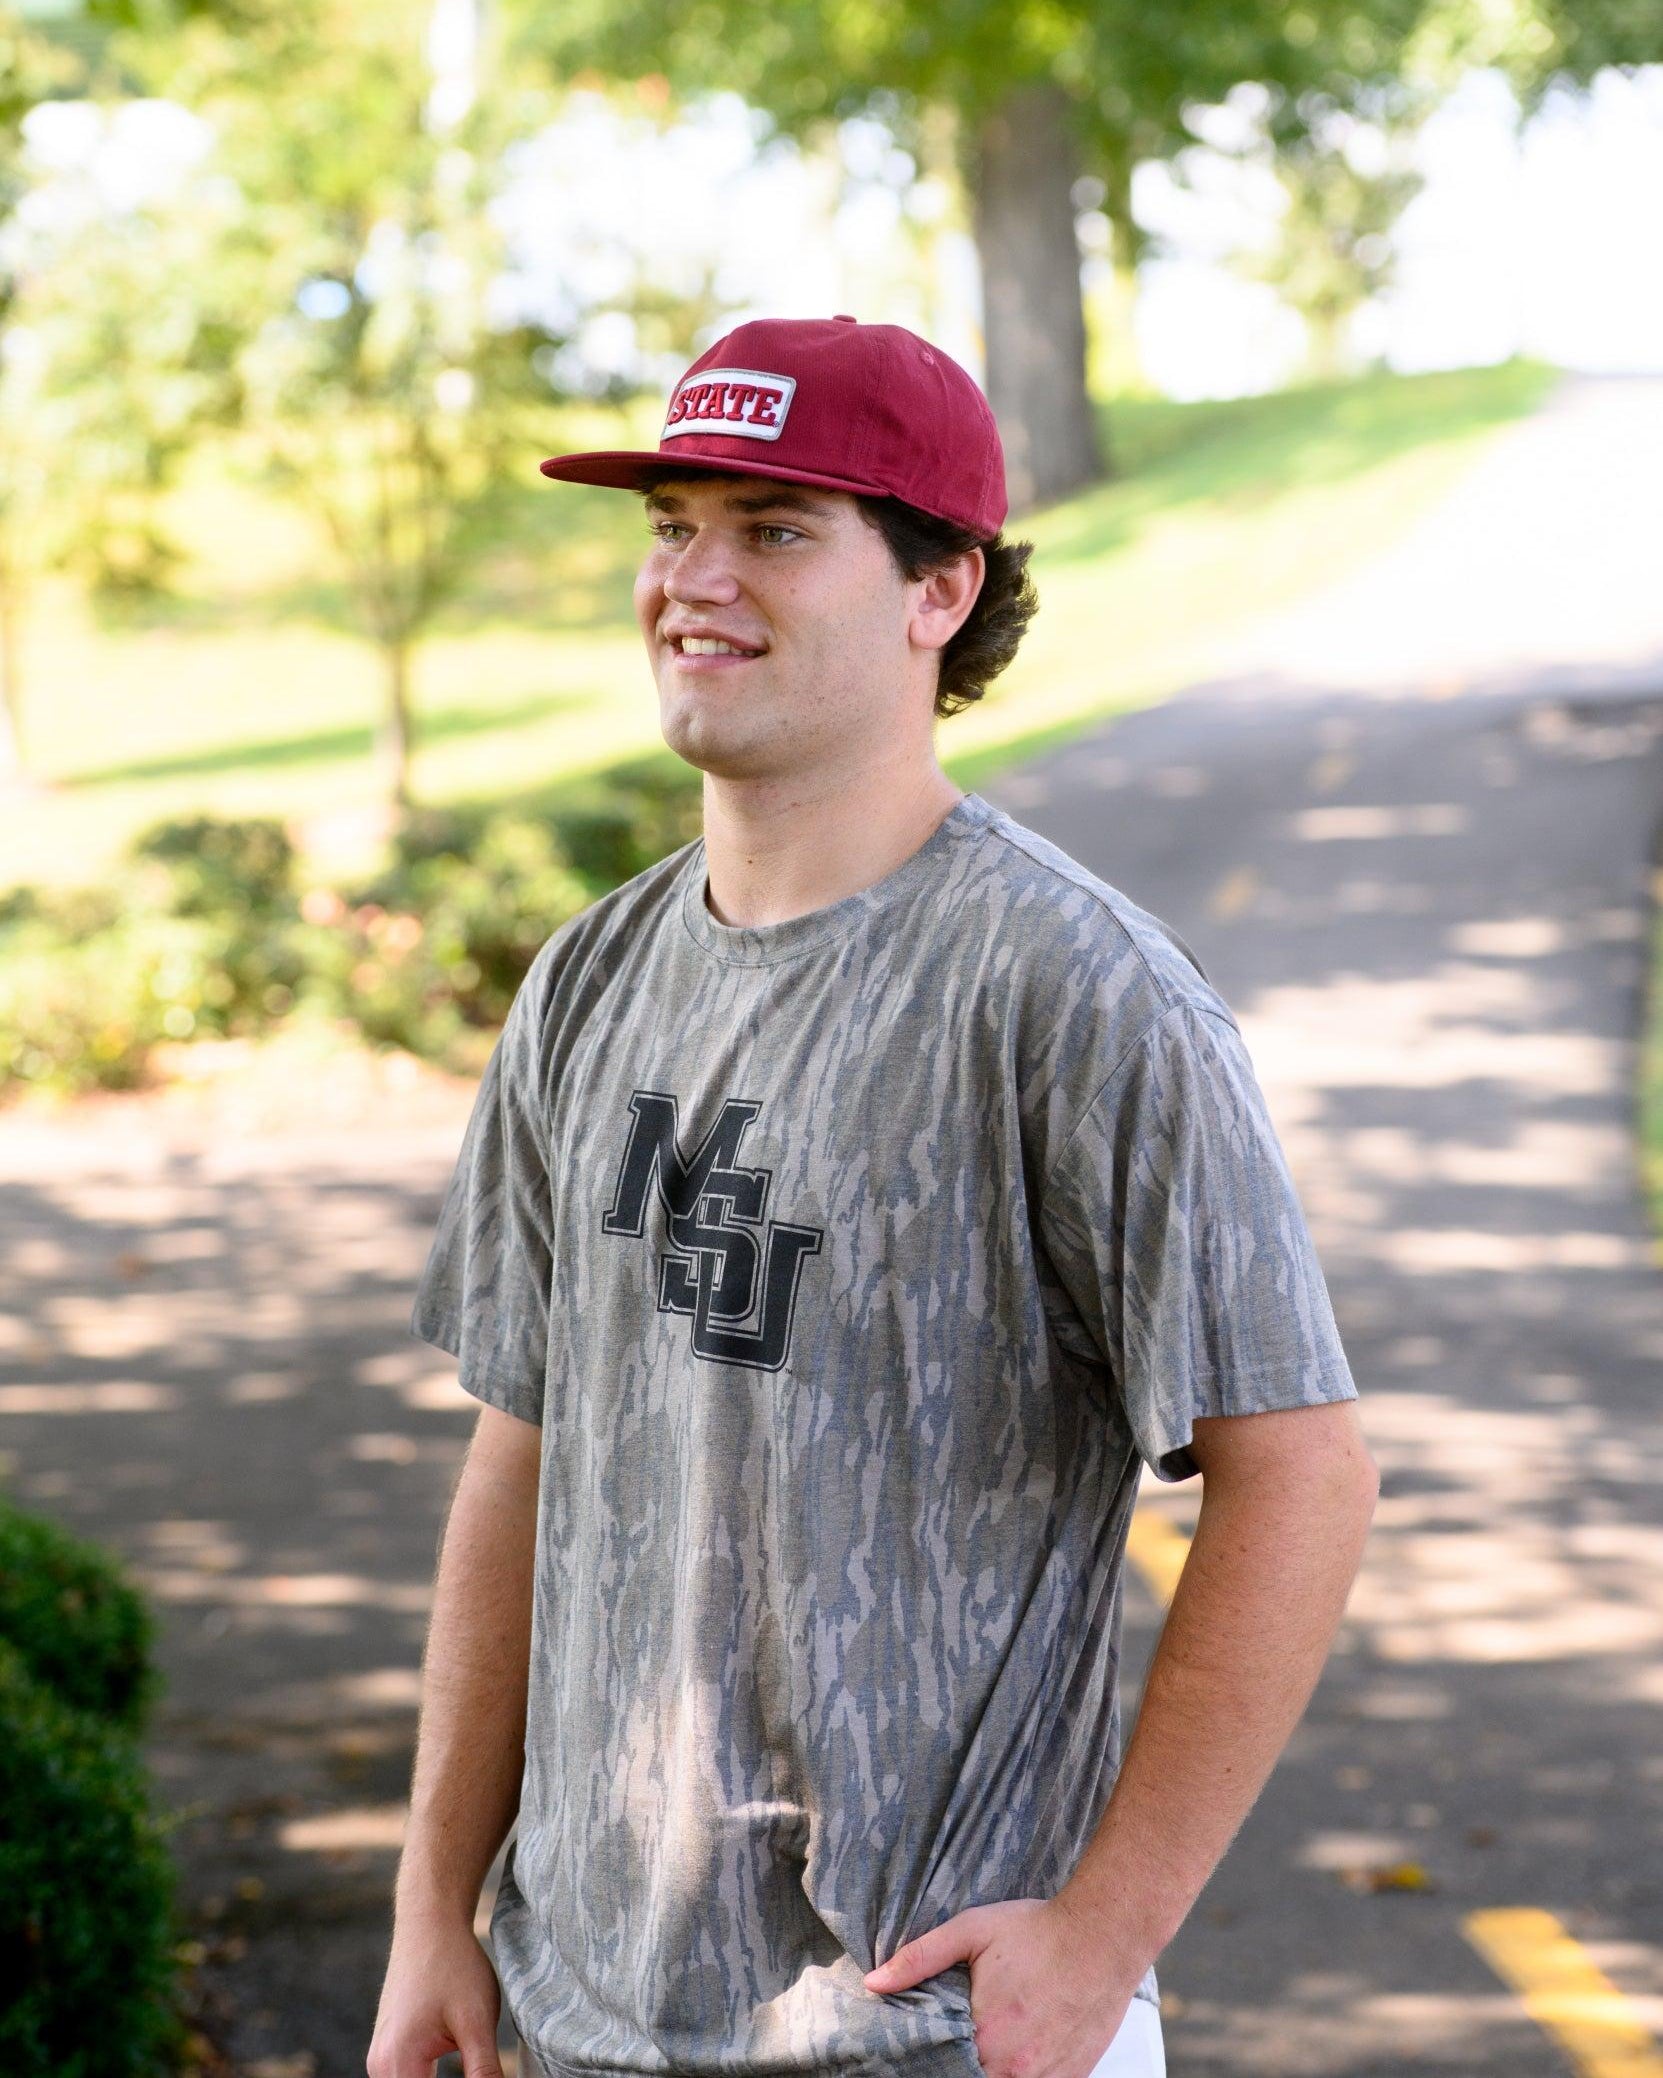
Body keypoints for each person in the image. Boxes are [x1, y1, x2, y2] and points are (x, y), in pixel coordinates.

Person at [368, 314, 1379, 2078]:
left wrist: (1105, 1936)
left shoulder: (1072, 991)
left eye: (774, 529)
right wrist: (430, 1915)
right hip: (574, 2014)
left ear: (939, 592)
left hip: (935, 2032)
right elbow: (519, 1454)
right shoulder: (589, 983)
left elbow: (1302, 1471)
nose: (695, 577)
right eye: (673, 522)